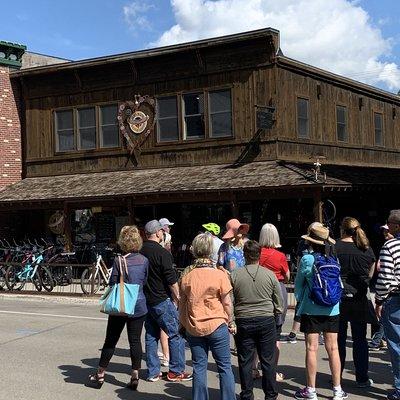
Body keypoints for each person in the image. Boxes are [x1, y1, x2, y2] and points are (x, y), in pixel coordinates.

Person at [89, 225, 148, 390]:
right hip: (139, 304)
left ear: (123, 241)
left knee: (111, 340)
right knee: (135, 341)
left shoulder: (119, 260)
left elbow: (113, 283)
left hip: (121, 305)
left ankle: (100, 374)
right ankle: (135, 375)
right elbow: (144, 281)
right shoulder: (144, 260)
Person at [179, 233, 235, 400]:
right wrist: (230, 321)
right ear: (211, 250)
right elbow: (227, 303)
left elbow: (182, 307)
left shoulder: (187, 276)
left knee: (199, 367)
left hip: (194, 327)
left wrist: (183, 325)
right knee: (225, 366)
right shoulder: (220, 275)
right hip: (217, 324)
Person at [294, 224, 347, 400]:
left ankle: (311, 390)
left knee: (311, 348)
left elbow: (298, 287)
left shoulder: (307, 259)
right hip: (333, 308)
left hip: (311, 308)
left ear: (310, 241)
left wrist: (302, 299)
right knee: (333, 348)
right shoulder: (334, 259)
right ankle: (338, 389)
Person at [140, 219, 192, 382]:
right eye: (162, 231)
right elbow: (171, 280)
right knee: (176, 333)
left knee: (151, 335)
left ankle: (153, 371)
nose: (163, 233)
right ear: (157, 232)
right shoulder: (162, 253)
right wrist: (178, 299)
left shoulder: (140, 251)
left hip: (146, 299)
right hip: (161, 299)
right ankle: (176, 371)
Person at [231, 240, 283, 400]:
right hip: (266, 319)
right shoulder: (269, 275)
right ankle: (271, 394)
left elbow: (230, 300)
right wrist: (276, 313)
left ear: (244, 255)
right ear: (259, 255)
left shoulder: (235, 275)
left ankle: (247, 394)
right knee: (268, 360)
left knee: (245, 360)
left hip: (243, 319)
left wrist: (232, 318)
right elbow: (278, 301)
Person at [335, 217, 376, 388]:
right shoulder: (365, 248)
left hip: (339, 296)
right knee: (360, 339)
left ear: (342, 229)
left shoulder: (334, 246)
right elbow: (372, 271)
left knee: (339, 340)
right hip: (359, 296)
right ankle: (361, 377)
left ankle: (337, 376)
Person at [284, 222, 324, 344]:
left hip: (317, 282)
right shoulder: (303, 243)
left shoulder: (323, 244)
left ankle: (319, 333)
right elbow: (299, 259)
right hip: (308, 280)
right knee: (301, 307)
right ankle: (294, 332)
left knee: (315, 307)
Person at [258, 223, 289, 381]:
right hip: (277, 291)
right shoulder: (280, 256)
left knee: (257, 334)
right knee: (276, 335)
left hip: (259, 292)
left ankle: (253, 369)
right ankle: (272, 372)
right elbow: (288, 275)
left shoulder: (255, 254)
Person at [375, 210, 400, 400]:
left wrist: (379, 299)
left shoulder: (390, 245)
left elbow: (385, 277)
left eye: (389, 223)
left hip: (396, 297)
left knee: (397, 344)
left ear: (396, 226)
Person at [369, 224, 392, 350]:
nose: (385, 233)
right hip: (388, 288)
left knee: (385, 315)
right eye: (384, 231)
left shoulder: (390, 248)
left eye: (387, 231)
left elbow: (386, 275)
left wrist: (379, 298)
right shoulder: (386, 246)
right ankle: (380, 339)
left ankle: (377, 340)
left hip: (390, 289)